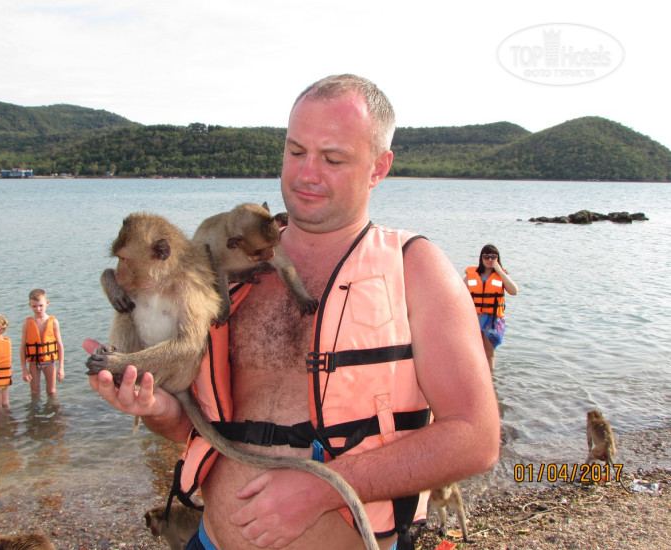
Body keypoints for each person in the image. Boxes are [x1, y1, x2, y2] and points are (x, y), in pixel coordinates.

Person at [89, 74, 500, 550]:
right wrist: (155, 408)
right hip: (211, 540)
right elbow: (197, 424)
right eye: (296, 151)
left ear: (378, 167)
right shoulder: (222, 269)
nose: (306, 174)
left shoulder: (416, 269)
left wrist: (323, 490)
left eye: (332, 159)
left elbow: (476, 438)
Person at [464, 244, 519, 371]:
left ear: (497, 259)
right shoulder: (472, 275)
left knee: (489, 353)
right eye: (486, 256)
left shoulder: (501, 276)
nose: (489, 259)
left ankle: (490, 378)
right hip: (475, 318)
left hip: (493, 320)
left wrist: (499, 271)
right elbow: (459, 293)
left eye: (493, 257)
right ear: (481, 258)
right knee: (473, 352)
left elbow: (514, 291)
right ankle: (475, 375)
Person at [21, 289, 64, 396]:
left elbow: (60, 345)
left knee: (51, 391)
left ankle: (53, 406)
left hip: (49, 362)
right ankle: (35, 407)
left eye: (41, 305)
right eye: (34, 306)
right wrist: (24, 369)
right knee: (34, 392)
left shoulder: (53, 322)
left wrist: (61, 367)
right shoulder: (27, 323)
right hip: (33, 363)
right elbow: (22, 347)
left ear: (47, 303)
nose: (38, 309)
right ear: (30, 305)